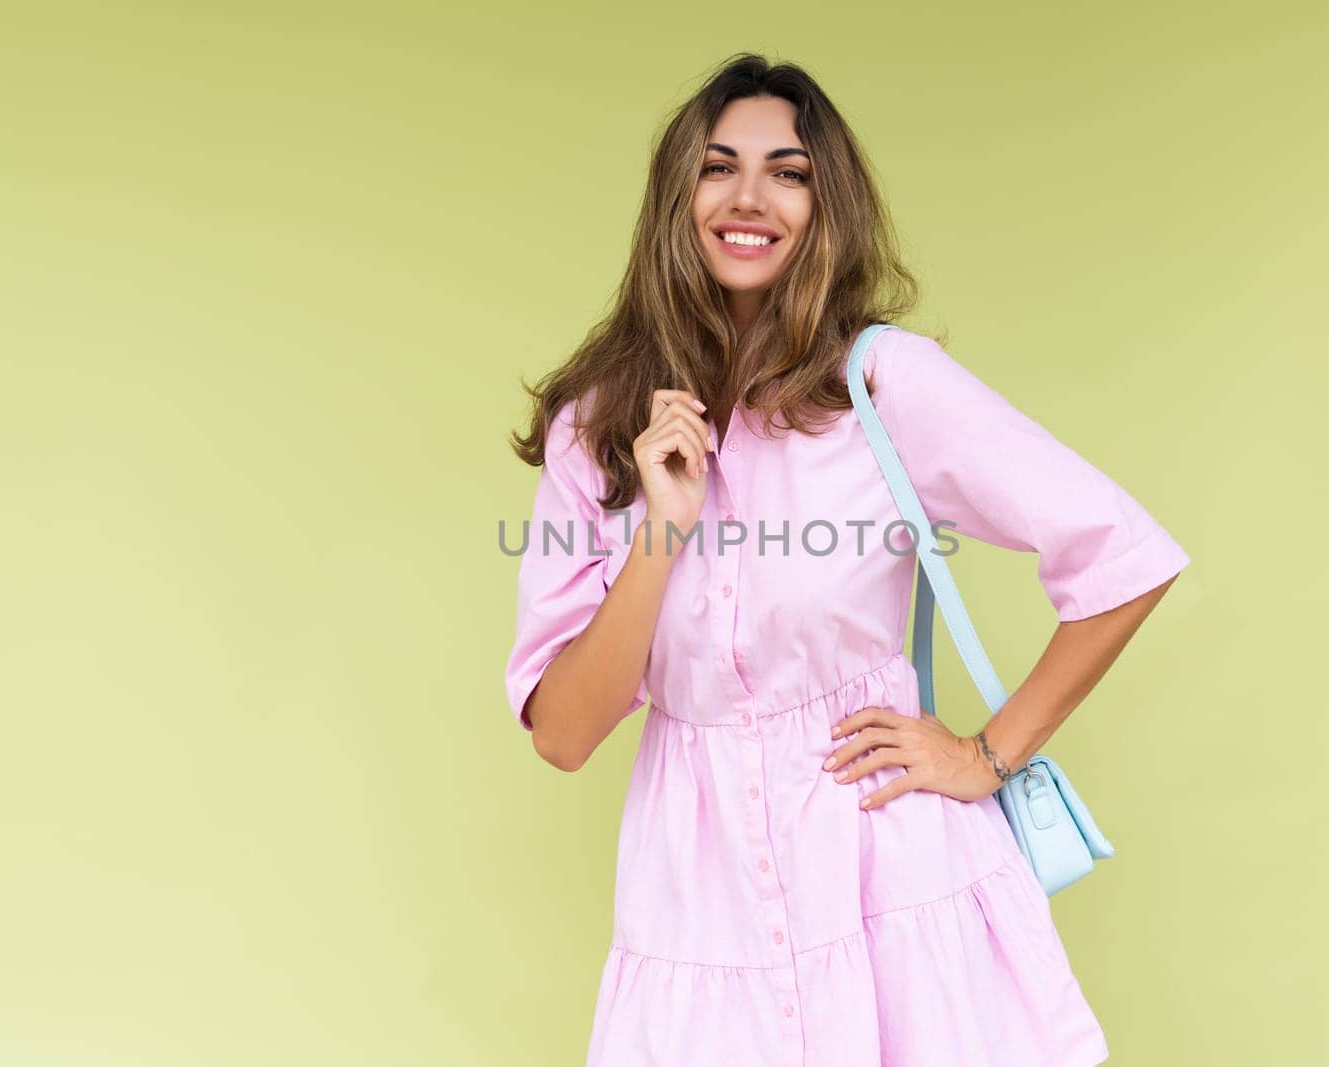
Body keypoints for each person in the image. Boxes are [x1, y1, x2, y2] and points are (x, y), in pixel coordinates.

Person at [503, 52, 1190, 1067]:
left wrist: (983, 756)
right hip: (698, 910)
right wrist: (661, 529)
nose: (749, 198)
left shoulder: (884, 385)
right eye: (718, 165)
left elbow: (1123, 555)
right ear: (675, 194)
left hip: (893, 881)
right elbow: (562, 733)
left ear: (826, 208)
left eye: (788, 171)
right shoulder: (595, 430)